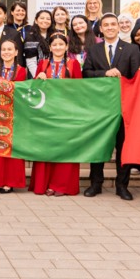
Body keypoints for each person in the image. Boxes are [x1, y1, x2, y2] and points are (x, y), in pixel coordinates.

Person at [82, 14, 140, 199]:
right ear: (100, 29)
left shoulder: (132, 49)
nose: (109, 27)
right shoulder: (93, 49)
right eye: (106, 25)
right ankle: (96, 184)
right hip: (100, 107)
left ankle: (122, 186)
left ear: (118, 27)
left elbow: (136, 78)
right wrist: (104, 73)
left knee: (123, 147)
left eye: (113, 24)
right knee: (98, 145)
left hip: (123, 107)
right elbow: (86, 73)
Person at [31, 33, 83, 197]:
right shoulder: (42, 64)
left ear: (66, 47)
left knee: (65, 148)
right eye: (55, 45)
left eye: (61, 44)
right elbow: (34, 90)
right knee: (46, 148)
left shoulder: (74, 64)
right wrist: (38, 78)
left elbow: (80, 90)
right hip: (45, 113)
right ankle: (45, 183)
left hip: (66, 113)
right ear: (50, 47)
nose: (58, 47)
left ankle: (61, 184)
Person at [0, 37, 29, 193]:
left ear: (16, 52)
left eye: (10, 49)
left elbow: (21, 92)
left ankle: (9, 182)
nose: (6, 52)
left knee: (12, 149)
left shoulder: (22, 70)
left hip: (14, 115)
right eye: (3, 49)